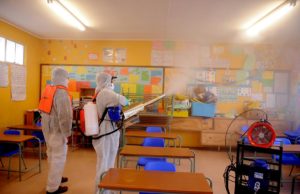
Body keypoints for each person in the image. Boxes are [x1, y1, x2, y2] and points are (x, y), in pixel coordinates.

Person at [93, 72, 128, 194]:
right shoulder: (105, 93)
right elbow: (123, 100)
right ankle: (100, 191)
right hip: (106, 133)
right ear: (106, 81)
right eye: (111, 80)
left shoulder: (101, 92)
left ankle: (106, 189)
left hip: (109, 132)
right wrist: (126, 101)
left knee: (108, 162)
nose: (113, 83)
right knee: (104, 163)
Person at [41, 67, 73, 194]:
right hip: (57, 131)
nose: (68, 81)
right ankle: (53, 187)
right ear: (63, 78)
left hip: (47, 129)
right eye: (67, 78)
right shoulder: (61, 93)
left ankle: (56, 178)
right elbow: (64, 116)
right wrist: (67, 133)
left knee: (52, 155)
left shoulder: (48, 89)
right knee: (58, 158)